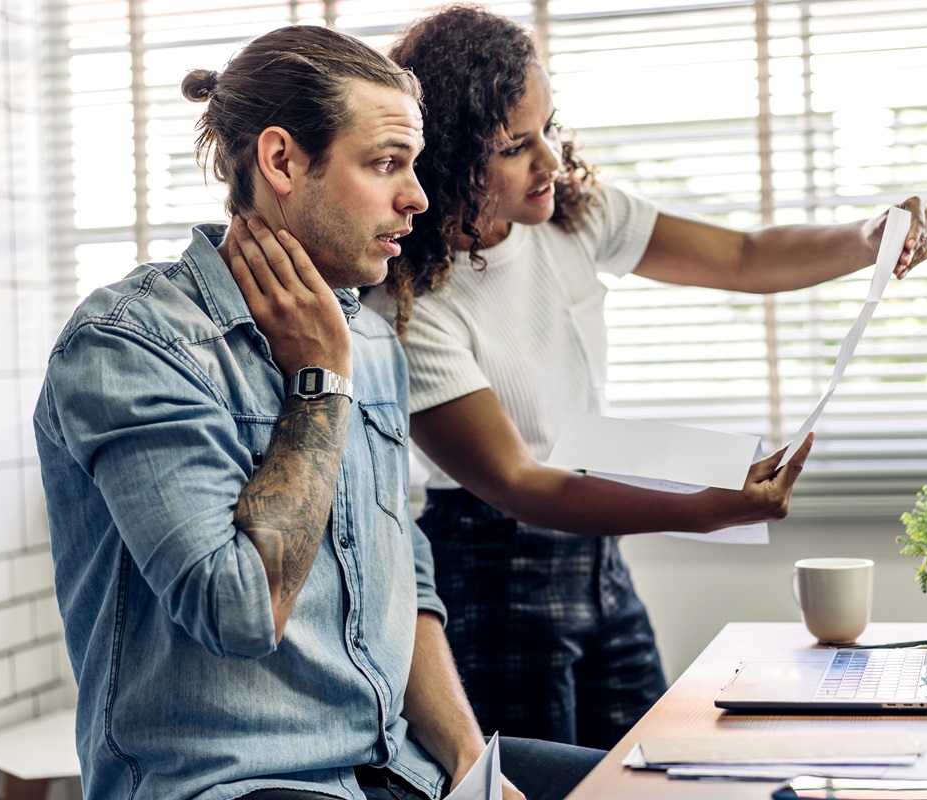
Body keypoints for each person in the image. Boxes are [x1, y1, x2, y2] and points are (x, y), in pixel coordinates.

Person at [33, 24, 603, 800]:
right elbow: (239, 613)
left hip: (394, 767)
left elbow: (408, 580)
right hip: (233, 785)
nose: (420, 196)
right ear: (281, 161)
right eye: (386, 164)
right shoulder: (131, 344)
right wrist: (318, 383)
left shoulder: (369, 338)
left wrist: (473, 763)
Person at [357, 4, 927, 750]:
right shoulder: (408, 308)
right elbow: (519, 484)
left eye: (549, 129)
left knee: (648, 770)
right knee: (536, 782)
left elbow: (741, 258)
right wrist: (702, 510)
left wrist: (868, 236)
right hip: (493, 571)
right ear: (448, 158)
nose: (550, 163)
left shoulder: (571, 215)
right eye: (514, 146)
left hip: (598, 556)